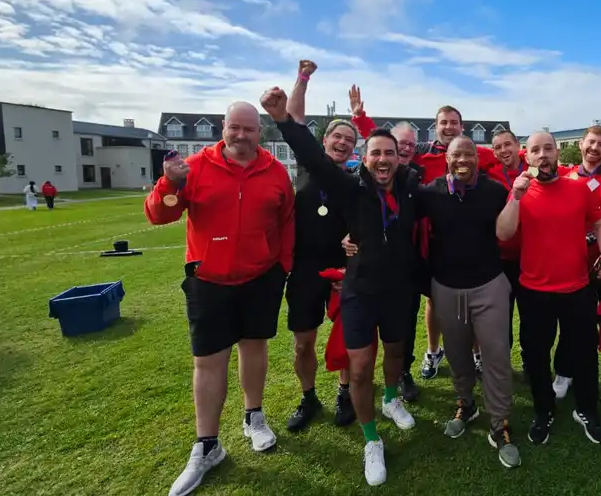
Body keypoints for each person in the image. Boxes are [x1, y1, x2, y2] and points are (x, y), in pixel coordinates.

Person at [261, 61, 418, 487]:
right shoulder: (352, 188)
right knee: (361, 367)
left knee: (396, 356)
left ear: (398, 160)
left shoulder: (410, 187)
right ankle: (371, 440)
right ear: (364, 161)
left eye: (390, 153)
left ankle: (390, 400)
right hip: (361, 291)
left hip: (400, 290)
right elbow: (313, 156)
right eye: (376, 154)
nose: (383, 159)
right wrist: (282, 121)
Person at [145, 102, 295, 496]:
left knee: (254, 348)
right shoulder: (194, 167)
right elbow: (160, 216)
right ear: (222, 129)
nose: (241, 135)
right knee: (209, 362)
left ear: (259, 133)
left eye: (249, 129)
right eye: (234, 128)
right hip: (208, 280)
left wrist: (282, 265)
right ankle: (207, 445)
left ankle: (253, 416)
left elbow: (286, 220)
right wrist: (168, 185)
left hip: (261, 278)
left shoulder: (275, 171)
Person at [496, 130, 601, 446]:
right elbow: (504, 232)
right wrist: (516, 197)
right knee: (535, 355)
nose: (543, 155)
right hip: (534, 290)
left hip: (577, 288)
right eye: (536, 150)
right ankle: (543, 409)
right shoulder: (520, 191)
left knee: (585, 353)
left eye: (548, 148)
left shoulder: (577, 188)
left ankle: (586, 410)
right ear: (527, 156)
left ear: (557, 152)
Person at [341, 91, 427, 403]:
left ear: (413, 149)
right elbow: (375, 145)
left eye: (407, 145)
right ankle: (360, 386)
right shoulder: (362, 181)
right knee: (363, 347)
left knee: (404, 327)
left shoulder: (415, 177)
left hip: (411, 265)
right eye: (397, 144)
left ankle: (403, 373)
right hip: (368, 276)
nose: (402, 149)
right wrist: (345, 237)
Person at [283, 110, 362, 433]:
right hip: (304, 268)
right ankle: (308, 397)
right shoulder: (305, 169)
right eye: (337, 137)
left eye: (349, 140)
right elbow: (295, 123)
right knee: (303, 342)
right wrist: (302, 81)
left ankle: (344, 393)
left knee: (344, 338)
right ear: (325, 141)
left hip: (343, 271)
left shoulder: (353, 183)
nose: (342, 143)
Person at [413, 106, 500, 381]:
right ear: (435, 126)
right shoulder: (421, 153)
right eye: (443, 123)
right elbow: (390, 145)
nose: (449, 127)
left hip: (466, 234)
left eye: (454, 123)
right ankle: (433, 350)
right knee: (435, 301)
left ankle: (476, 354)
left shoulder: (477, 152)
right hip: (428, 236)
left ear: (462, 127)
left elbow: (509, 153)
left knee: (473, 299)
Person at [551, 126, 601, 407]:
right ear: (581, 143)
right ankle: (564, 373)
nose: (594, 148)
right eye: (591, 142)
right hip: (575, 262)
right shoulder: (565, 176)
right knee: (572, 322)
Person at [488, 130, 527, 369]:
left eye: (507, 145)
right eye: (498, 147)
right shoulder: (490, 174)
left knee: (530, 314)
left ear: (518, 145)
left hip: (530, 256)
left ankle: (528, 354)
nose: (503, 151)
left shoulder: (534, 168)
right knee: (500, 315)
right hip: (499, 258)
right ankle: (502, 359)